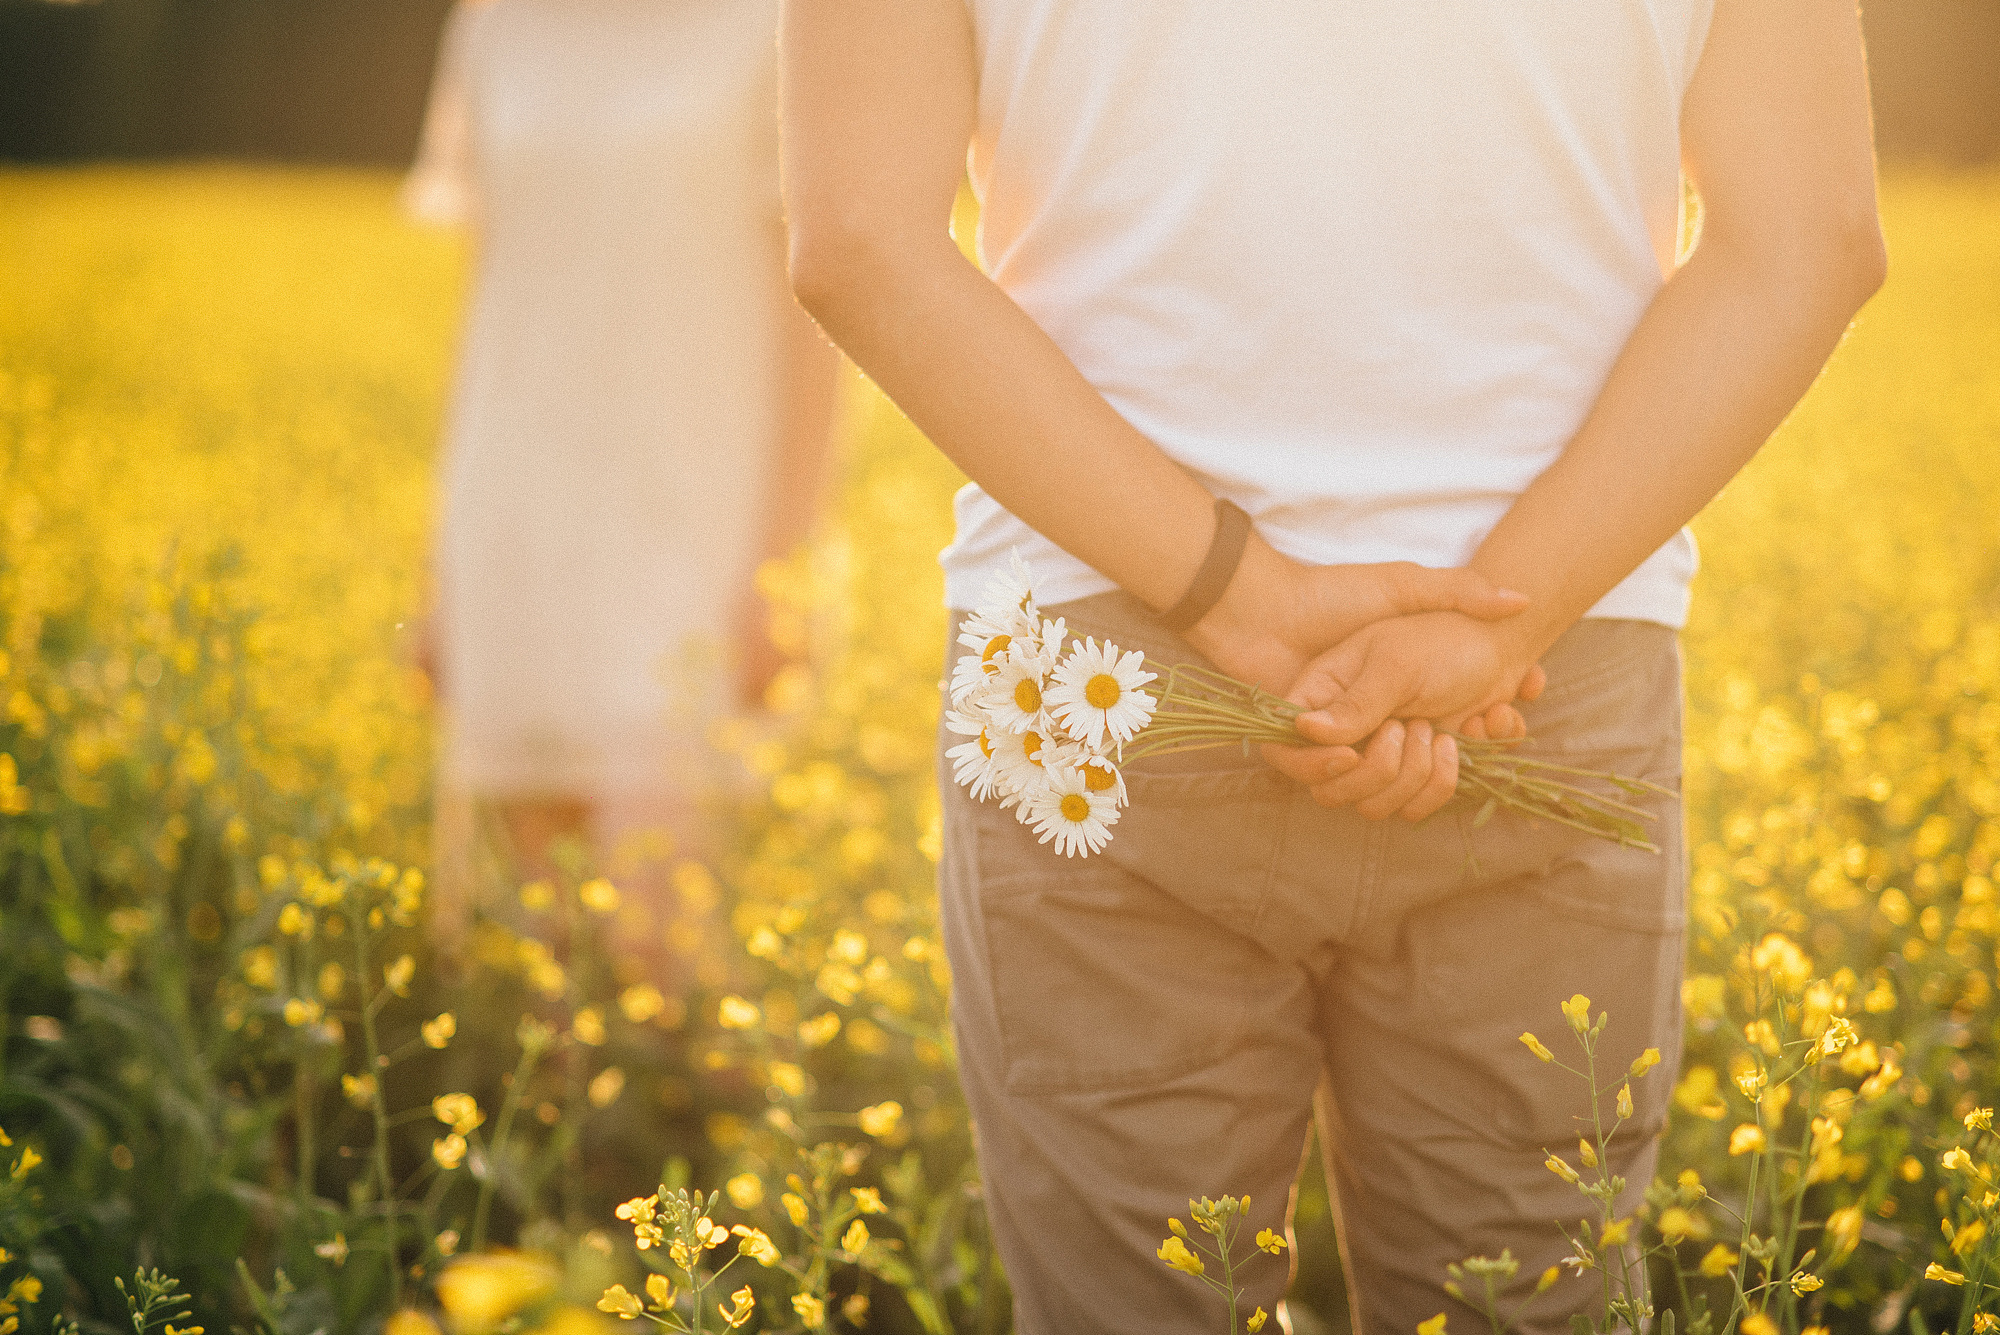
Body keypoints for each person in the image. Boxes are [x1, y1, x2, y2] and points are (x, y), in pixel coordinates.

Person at [780, 0, 1884, 1331]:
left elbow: (860, 241)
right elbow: (1807, 238)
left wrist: (1234, 596)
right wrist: (1496, 628)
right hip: (1546, 666)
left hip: (1100, 667)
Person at [405, 0, 840, 967]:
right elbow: (492, 294)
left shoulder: (774, 23)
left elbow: (818, 321)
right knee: (544, 967)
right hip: (515, 515)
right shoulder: (496, 25)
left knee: (663, 951)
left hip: (697, 518)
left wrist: (785, 565)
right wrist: (440, 573)